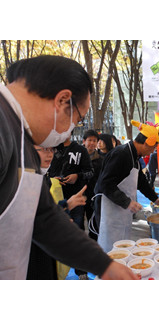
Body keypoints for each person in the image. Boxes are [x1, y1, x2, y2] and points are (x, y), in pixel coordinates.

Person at [1, 55, 138, 280]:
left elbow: (44, 217)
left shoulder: (23, 139)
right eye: (78, 118)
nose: (72, 128)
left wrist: (104, 265)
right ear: (63, 100)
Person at [94, 120, 159, 252]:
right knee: (110, 247)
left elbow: (141, 181)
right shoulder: (121, 154)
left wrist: (155, 199)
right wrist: (127, 202)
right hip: (109, 209)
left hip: (122, 210)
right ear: (147, 142)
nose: (151, 152)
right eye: (152, 148)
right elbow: (106, 183)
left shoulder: (134, 156)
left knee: (122, 245)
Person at [27, 145, 87, 280]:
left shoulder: (44, 178)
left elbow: (44, 214)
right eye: (44, 149)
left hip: (46, 252)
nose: (50, 154)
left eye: (51, 150)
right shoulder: (22, 181)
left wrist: (66, 206)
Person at [48, 136, 93, 230]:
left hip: (75, 197)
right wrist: (51, 179)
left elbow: (90, 172)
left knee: (76, 229)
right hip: (54, 198)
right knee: (56, 230)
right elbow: (42, 172)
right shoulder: (49, 149)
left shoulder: (80, 150)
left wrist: (77, 176)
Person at [82, 129, 104, 241]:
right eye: (89, 140)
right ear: (84, 141)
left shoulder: (101, 159)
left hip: (93, 196)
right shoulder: (78, 157)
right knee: (78, 223)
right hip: (79, 195)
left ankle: (93, 245)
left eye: (94, 140)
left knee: (93, 222)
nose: (92, 143)